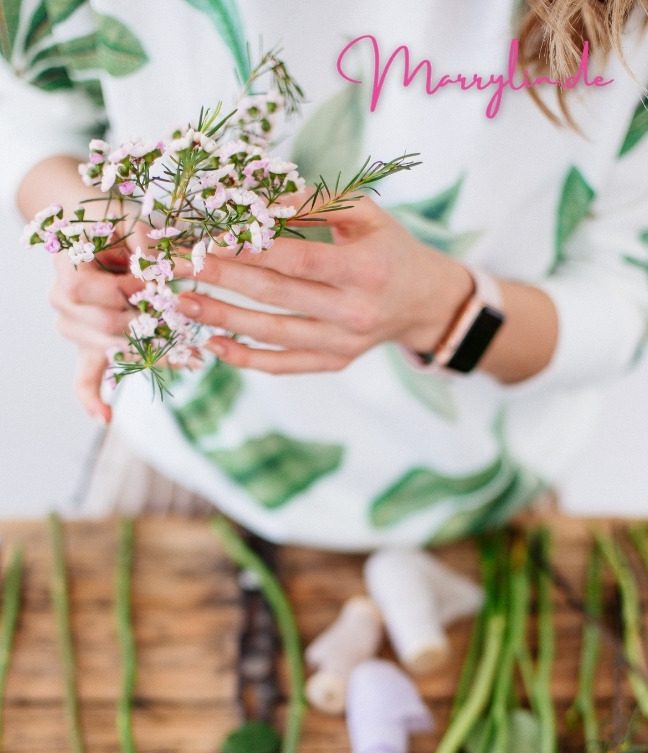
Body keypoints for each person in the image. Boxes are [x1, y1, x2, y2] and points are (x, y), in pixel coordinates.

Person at [2, 0, 648, 549]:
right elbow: (29, 121)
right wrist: (87, 228)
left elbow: (627, 296)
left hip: (484, 488)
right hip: (184, 454)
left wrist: (443, 310)